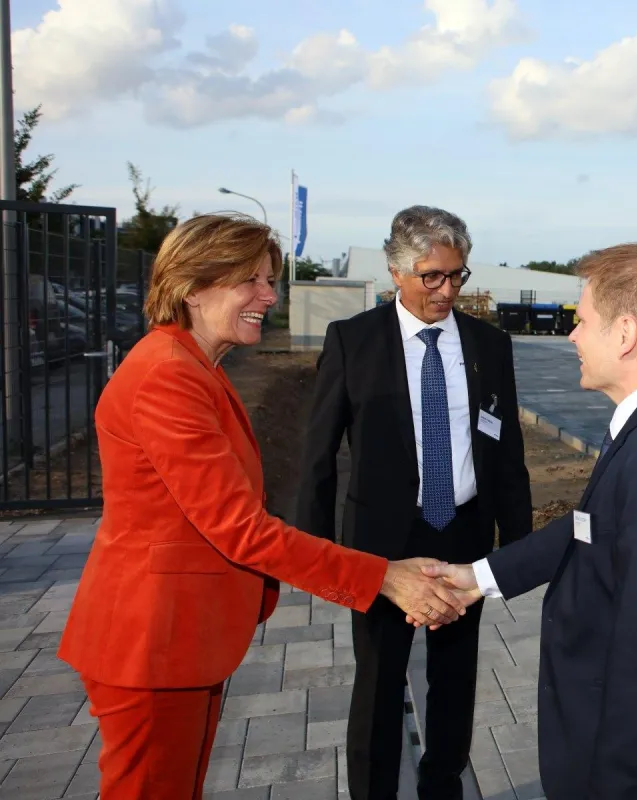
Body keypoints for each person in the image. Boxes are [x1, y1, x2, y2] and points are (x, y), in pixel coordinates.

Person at [56, 213, 467, 800]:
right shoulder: (168, 376)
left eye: (269, 279)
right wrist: (381, 577)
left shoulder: (194, 366)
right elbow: (241, 531)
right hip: (151, 642)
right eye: (250, 280)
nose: (268, 296)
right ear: (193, 286)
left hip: (179, 638)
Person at [421, 244, 637, 800]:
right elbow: (590, 524)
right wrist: (481, 577)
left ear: (624, 334)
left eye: (582, 322)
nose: (572, 336)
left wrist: (614, 786)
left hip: (634, 753)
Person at [295, 205, 532, 800]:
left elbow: (507, 453)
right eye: (433, 276)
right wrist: (315, 554)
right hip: (382, 545)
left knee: (455, 677)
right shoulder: (352, 341)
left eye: (457, 275)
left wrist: (520, 553)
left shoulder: (489, 344)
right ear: (396, 271)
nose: (447, 290)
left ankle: (442, 781)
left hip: (463, 535)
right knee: (378, 683)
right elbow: (317, 455)